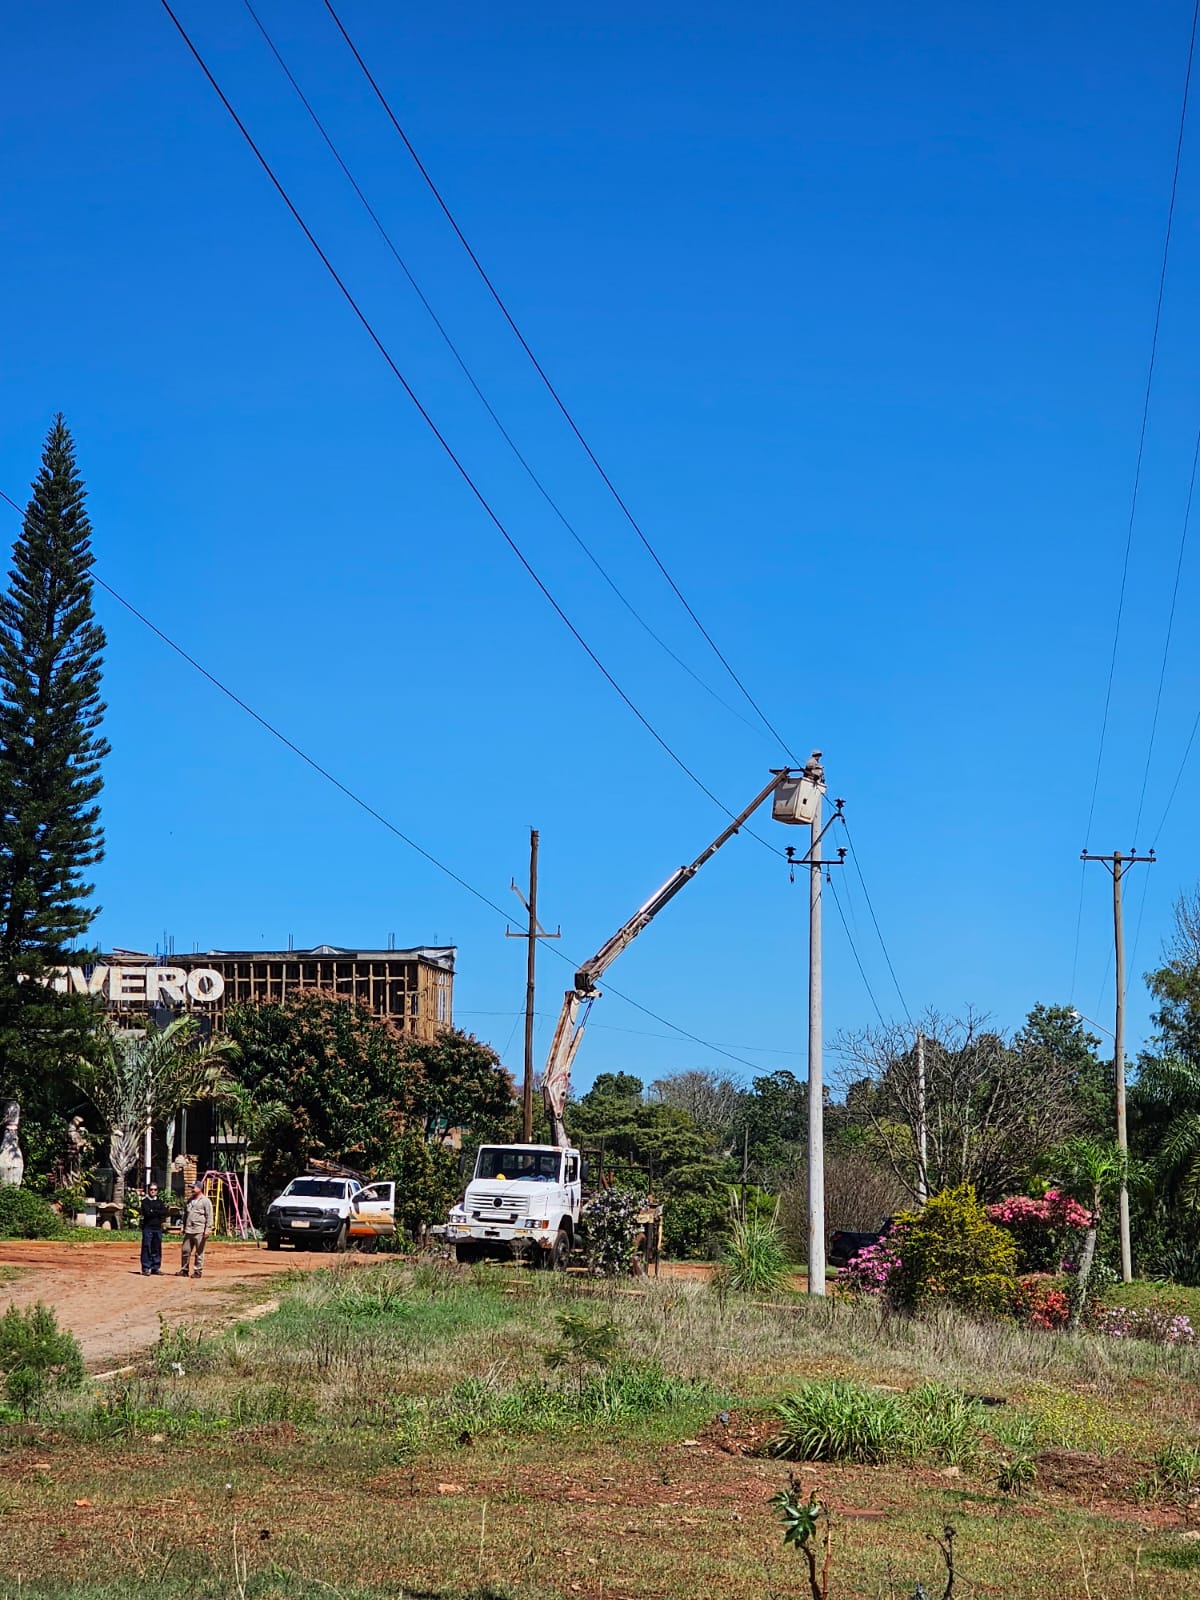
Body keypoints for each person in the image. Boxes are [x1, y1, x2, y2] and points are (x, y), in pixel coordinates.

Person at [177, 1181, 213, 1278]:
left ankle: (198, 1271)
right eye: (191, 1187)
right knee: (185, 1250)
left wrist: (208, 1229)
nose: (192, 1189)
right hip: (189, 1230)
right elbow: (185, 1215)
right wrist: (182, 1226)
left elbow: (209, 1216)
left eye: (194, 1187)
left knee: (199, 1252)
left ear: (200, 1188)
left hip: (199, 1230)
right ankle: (184, 1270)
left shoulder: (205, 1201)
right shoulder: (189, 1200)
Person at [139, 1181, 167, 1275]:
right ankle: (146, 1267)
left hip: (157, 1228)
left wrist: (153, 1211)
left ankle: (155, 1267)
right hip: (148, 1228)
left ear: (157, 1191)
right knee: (146, 1247)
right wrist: (156, 1211)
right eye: (151, 1189)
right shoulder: (145, 1202)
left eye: (155, 1190)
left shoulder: (160, 1202)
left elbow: (163, 1212)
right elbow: (147, 1213)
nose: (153, 1191)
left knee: (157, 1248)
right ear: (148, 1191)